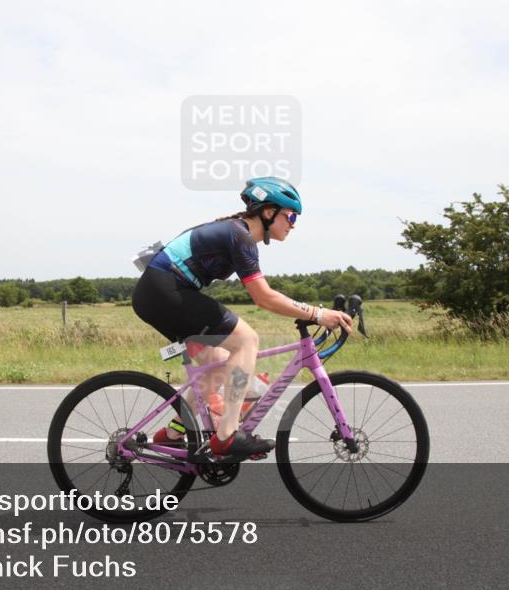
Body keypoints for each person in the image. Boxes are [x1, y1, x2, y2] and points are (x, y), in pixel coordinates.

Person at [131, 177, 352, 458]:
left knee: (218, 363)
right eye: (290, 216)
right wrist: (318, 314)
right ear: (269, 212)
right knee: (247, 341)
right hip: (164, 289)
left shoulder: (238, 232)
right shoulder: (241, 236)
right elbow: (263, 297)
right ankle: (227, 436)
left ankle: (174, 434)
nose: (293, 224)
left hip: (159, 292)